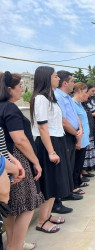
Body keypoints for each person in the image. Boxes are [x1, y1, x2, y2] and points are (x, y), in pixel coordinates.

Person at [0, 72, 44, 250]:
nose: (22, 89)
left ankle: (12, 243)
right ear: (9, 89)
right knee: (28, 205)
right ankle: (15, 246)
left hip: (4, 161)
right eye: (19, 87)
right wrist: (36, 162)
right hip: (16, 161)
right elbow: (19, 139)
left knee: (9, 207)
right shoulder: (10, 108)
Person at [31, 66, 74, 233]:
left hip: (57, 140)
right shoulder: (41, 98)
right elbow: (42, 127)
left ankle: (47, 216)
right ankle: (41, 221)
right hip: (48, 143)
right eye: (55, 76)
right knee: (49, 183)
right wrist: (51, 151)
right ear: (46, 78)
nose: (58, 79)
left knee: (57, 182)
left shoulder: (51, 98)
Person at [52, 70, 83, 214]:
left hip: (73, 134)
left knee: (70, 165)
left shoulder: (68, 97)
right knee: (62, 167)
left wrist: (79, 129)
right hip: (65, 135)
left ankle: (68, 191)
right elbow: (63, 121)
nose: (73, 84)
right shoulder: (57, 96)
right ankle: (57, 200)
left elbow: (75, 116)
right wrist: (75, 133)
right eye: (71, 81)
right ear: (65, 83)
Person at [72, 82, 91, 194]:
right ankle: (74, 186)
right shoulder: (73, 104)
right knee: (76, 164)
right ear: (79, 91)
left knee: (80, 163)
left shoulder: (79, 104)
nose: (86, 95)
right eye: (85, 92)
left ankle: (78, 181)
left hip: (84, 139)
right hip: (79, 139)